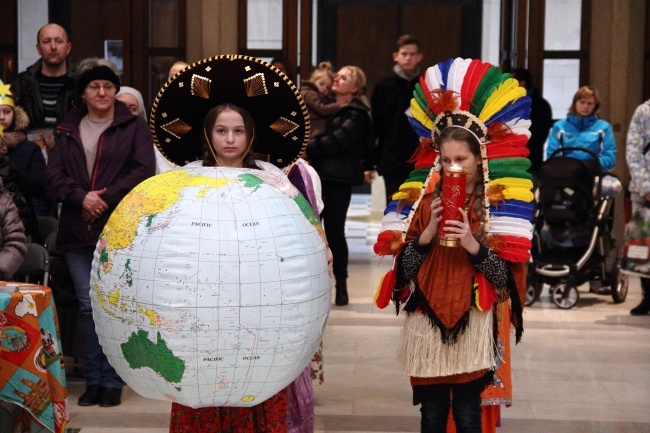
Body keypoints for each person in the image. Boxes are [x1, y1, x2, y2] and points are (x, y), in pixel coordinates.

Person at [46, 58, 156, 407]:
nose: (103, 92)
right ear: (83, 93)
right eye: (95, 86)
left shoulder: (133, 125)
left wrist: (104, 200)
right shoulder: (68, 128)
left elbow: (142, 170)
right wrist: (82, 198)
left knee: (114, 305)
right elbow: (55, 175)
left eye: (109, 86)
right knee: (87, 306)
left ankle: (112, 379)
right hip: (78, 227)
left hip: (119, 226)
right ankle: (92, 379)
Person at [305, 65, 372, 306]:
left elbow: (339, 141)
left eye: (343, 78)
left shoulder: (357, 113)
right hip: (319, 175)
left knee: (334, 233)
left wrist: (309, 148)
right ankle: (314, 285)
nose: (336, 78)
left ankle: (341, 285)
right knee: (313, 233)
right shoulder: (327, 107)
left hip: (337, 179)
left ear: (354, 88)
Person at [370, 34, 423, 200]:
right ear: (396, 56)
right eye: (404, 54)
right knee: (394, 207)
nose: (408, 58)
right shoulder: (383, 86)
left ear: (419, 57)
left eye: (412, 54)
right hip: (391, 157)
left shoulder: (425, 84)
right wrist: (372, 160)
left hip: (420, 158)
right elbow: (375, 125)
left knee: (418, 209)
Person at [11, 23, 78, 130]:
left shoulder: (80, 81)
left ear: (68, 48)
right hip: (32, 146)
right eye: (46, 42)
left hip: (73, 146)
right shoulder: (21, 83)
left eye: (59, 41)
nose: (53, 47)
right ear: (38, 49)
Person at [0, 80, 48, 225]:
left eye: (6, 112)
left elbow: (41, 186)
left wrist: (14, 172)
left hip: (21, 222)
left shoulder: (28, 148)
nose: (1, 117)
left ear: (15, 115)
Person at [546, 85, 616, 171]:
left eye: (590, 103)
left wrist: (588, 166)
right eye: (582, 102)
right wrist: (570, 167)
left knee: (615, 184)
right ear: (575, 103)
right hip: (565, 173)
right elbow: (552, 156)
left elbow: (610, 159)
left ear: (595, 106)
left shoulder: (604, 127)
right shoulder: (559, 126)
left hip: (592, 172)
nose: (586, 106)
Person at [625, 98, 650, 315]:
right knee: (642, 245)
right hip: (644, 192)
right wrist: (646, 187)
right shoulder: (643, 111)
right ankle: (647, 297)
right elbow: (633, 152)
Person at [511, 68, 553, 175]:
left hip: (531, 159)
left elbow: (539, 137)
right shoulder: (510, 103)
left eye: (511, 82)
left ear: (522, 83)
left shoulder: (540, 106)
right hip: (510, 157)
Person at [300, 61, 340, 140]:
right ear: (312, 81)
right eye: (321, 84)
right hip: (311, 131)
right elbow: (322, 109)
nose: (324, 88)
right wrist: (339, 105)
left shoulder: (317, 94)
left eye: (328, 87)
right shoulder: (309, 94)